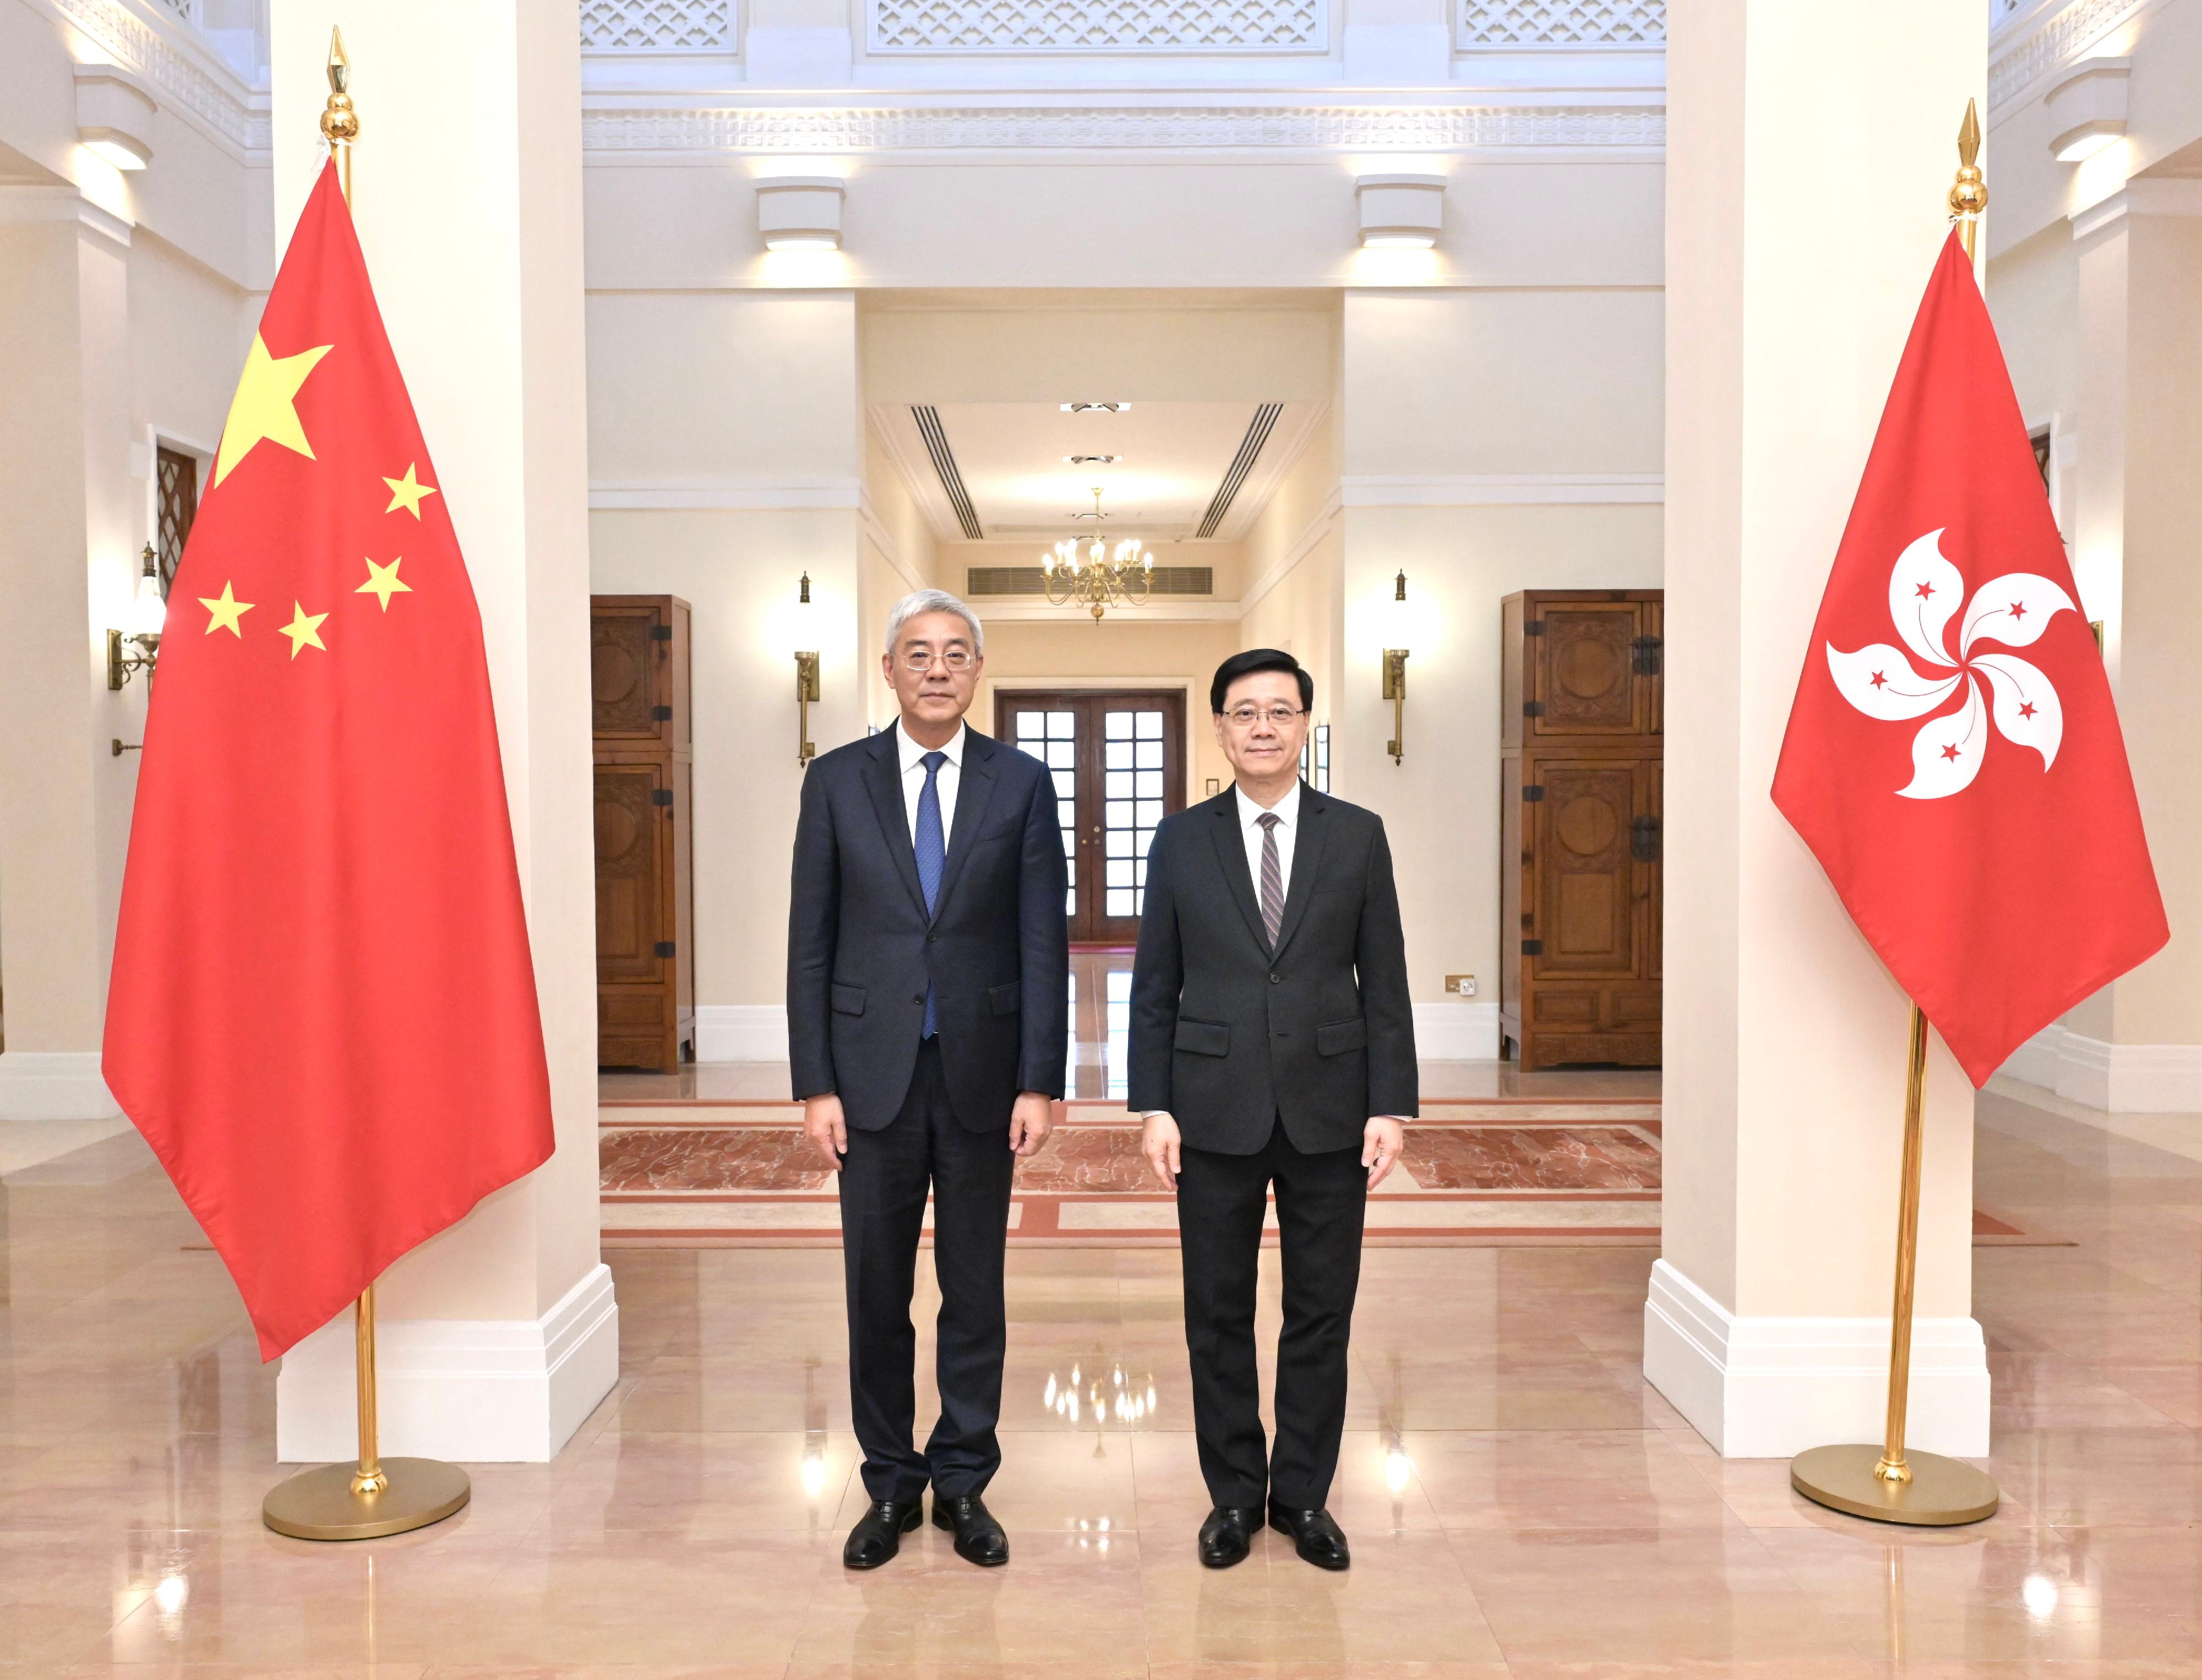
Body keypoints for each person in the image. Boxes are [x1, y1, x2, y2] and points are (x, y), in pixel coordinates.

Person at [787, 588, 1069, 1570]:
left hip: (986, 1078)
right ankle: (889, 1486)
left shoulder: (1022, 783)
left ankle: (963, 1483)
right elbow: (810, 944)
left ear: (978, 670)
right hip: (867, 1083)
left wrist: (1041, 1080)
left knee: (974, 1289)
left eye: (956, 653)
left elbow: (1044, 939)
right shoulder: (836, 782)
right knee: (876, 1289)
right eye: (920, 653)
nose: (938, 668)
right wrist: (815, 1085)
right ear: (890, 669)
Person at [1130, 648, 1416, 1572]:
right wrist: (1154, 1106)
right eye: (1244, 712)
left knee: (1320, 1312)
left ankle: (1302, 1499)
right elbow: (1154, 985)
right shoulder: (1181, 839)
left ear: (1305, 727)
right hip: (1210, 1109)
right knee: (1215, 1312)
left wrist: (1391, 1105)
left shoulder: (1358, 834)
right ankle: (1231, 1500)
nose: (1262, 727)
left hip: (1333, 1111)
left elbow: (1388, 981)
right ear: (1220, 728)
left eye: (1280, 712)